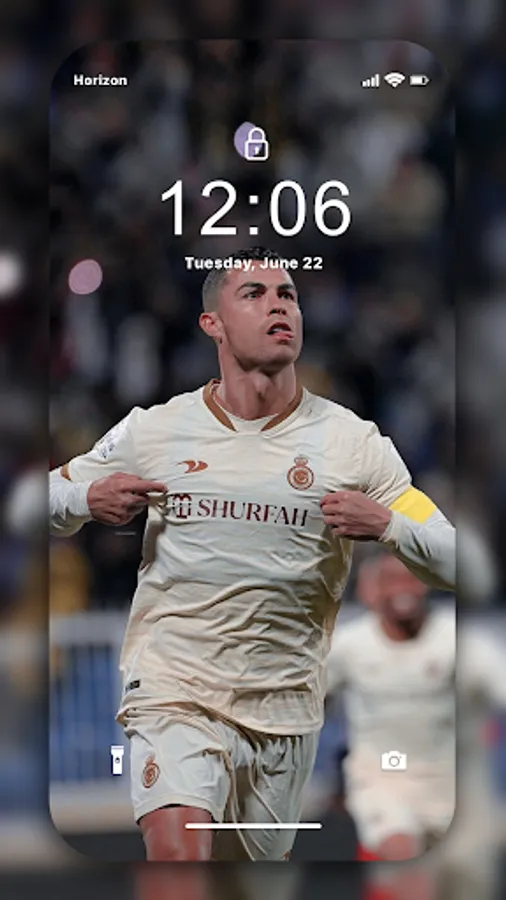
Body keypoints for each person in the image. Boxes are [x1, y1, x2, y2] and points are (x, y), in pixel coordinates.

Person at [49, 246, 455, 861]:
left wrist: (390, 525)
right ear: (212, 323)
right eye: (255, 294)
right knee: (180, 855)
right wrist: (85, 497)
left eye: (287, 294)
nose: (278, 306)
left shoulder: (356, 445)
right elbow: (41, 499)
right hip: (176, 690)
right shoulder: (154, 430)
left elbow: (454, 561)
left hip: (285, 714)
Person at [327, 553, 456, 864]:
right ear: (374, 590)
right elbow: (311, 704)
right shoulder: (349, 644)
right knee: (400, 849)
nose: (403, 589)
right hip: (381, 776)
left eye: (411, 579)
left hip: (447, 779)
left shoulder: (451, 636)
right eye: (391, 580)